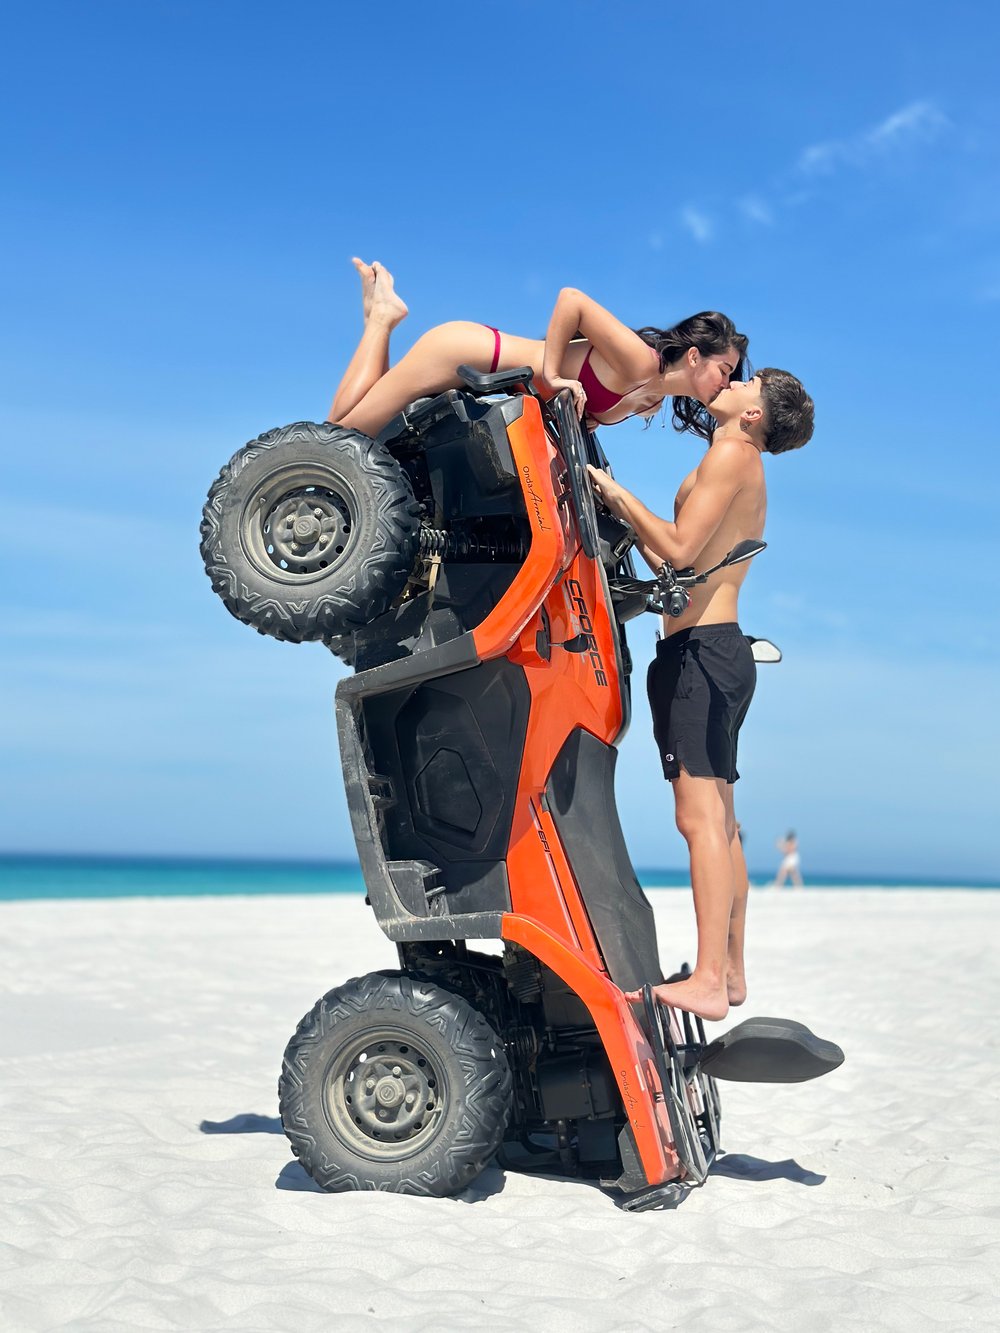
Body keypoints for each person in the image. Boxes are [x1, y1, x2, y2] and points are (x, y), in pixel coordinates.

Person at [586, 370, 815, 1020]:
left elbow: (681, 548)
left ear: (754, 414)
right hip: (719, 650)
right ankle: (731, 972)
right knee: (722, 820)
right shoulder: (740, 462)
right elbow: (684, 568)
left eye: (749, 381)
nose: (736, 380)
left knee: (700, 821)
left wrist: (616, 494)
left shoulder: (731, 455)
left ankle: (711, 979)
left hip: (703, 656)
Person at [327, 259, 748, 439]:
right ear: (694, 356)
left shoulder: (650, 397)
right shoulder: (641, 361)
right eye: (725, 369)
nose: (727, 382)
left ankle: (381, 318)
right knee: (339, 437)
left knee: (361, 433)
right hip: (469, 353)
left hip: (477, 380)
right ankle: (381, 317)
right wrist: (554, 375)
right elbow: (572, 299)